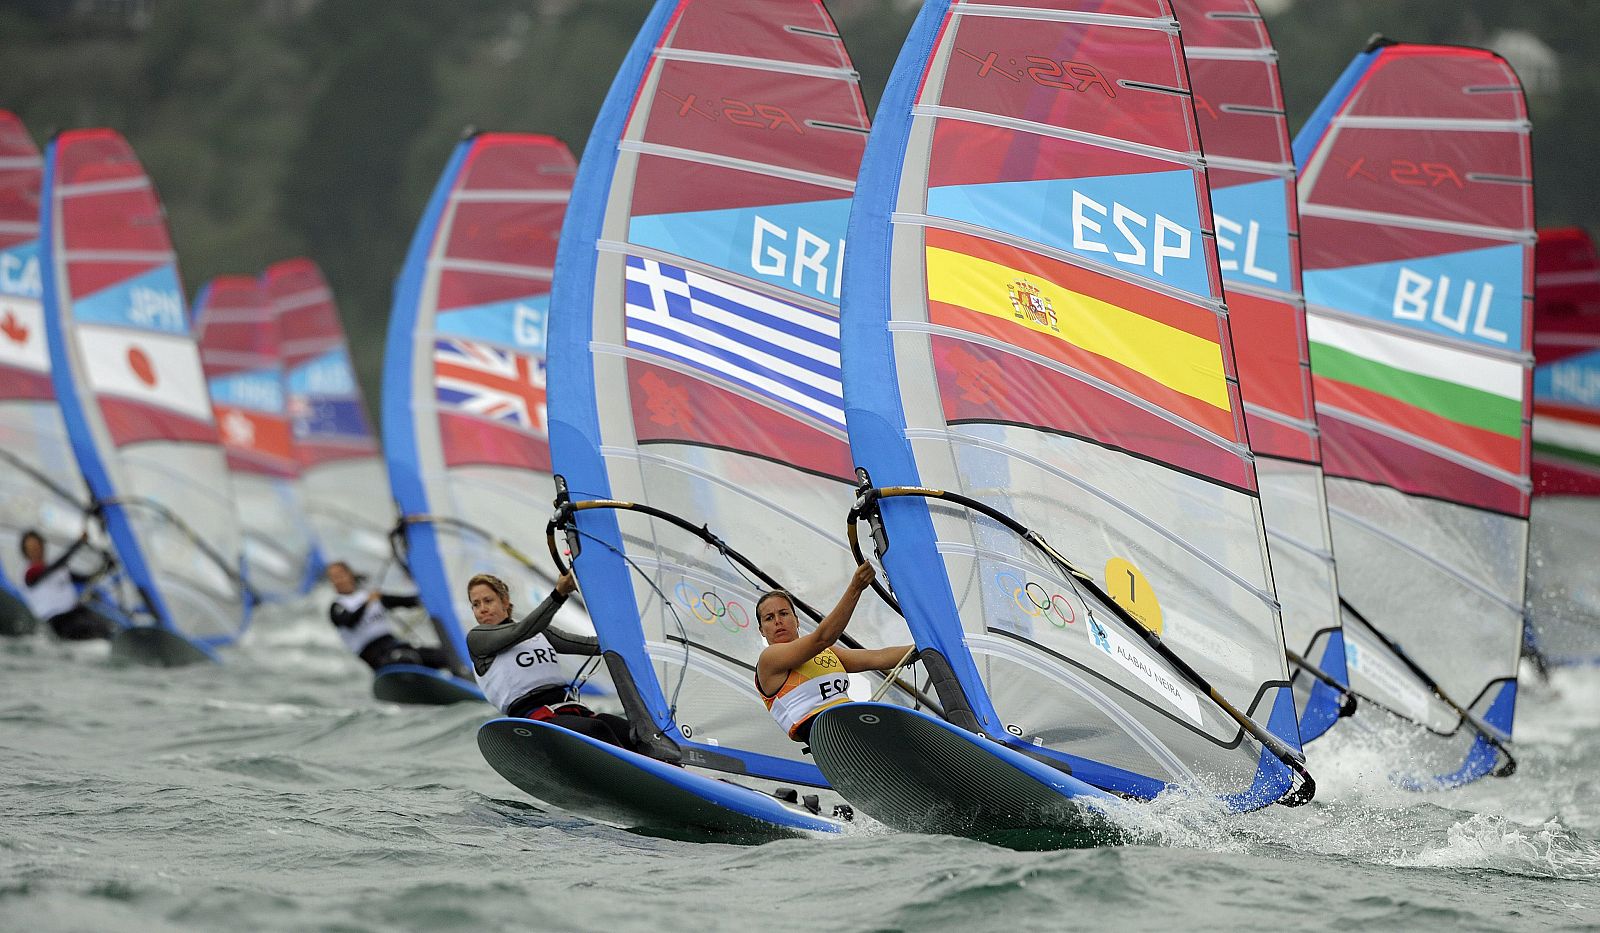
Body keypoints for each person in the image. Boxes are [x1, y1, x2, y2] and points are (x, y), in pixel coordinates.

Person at [465, 570, 635, 751]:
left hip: (568, 709)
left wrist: (629, 636)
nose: (482, 608)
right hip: (533, 720)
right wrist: (559, 594)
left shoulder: (539, 632)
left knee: (627, 730)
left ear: (505, 601)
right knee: (596, 729)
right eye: (476, 604)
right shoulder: (477, 639)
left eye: (488, 601)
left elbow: (593, 646)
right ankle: (634, 775)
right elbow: (520, 632)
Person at [755, 562, 915, 744]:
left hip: (850, 720)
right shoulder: (769, 659)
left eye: (783, 613)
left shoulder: (827, 652)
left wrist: (924, 648)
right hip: (825, 733)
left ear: (797, 621)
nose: (777, 621)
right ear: (762, 630)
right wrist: (855, 588)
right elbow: (823, 637)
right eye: (769, 618)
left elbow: (878, 657)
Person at [325, 561, 451, 670]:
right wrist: (367, 603)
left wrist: (430, 596)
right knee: (403, 659)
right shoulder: (337, 606)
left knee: (443, 655)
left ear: (350, 574)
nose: (338, 580)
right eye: (333, 578)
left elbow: (406, 601)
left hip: (394, 644)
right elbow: (350, 621)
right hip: (375, 656)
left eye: (340, 575)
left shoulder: (372, 596)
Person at [19, 529, 116, 641]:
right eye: (30, 548)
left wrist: (106, 568)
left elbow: (88, 579)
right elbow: (55, 566)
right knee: (87, 629)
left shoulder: (60, 570)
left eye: (37, 545)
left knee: (106, 628)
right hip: (56, 620)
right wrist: (78, 544)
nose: (35, 550)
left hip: (76, 612)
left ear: (42, 545)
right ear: (25, 552)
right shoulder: (30, 573)